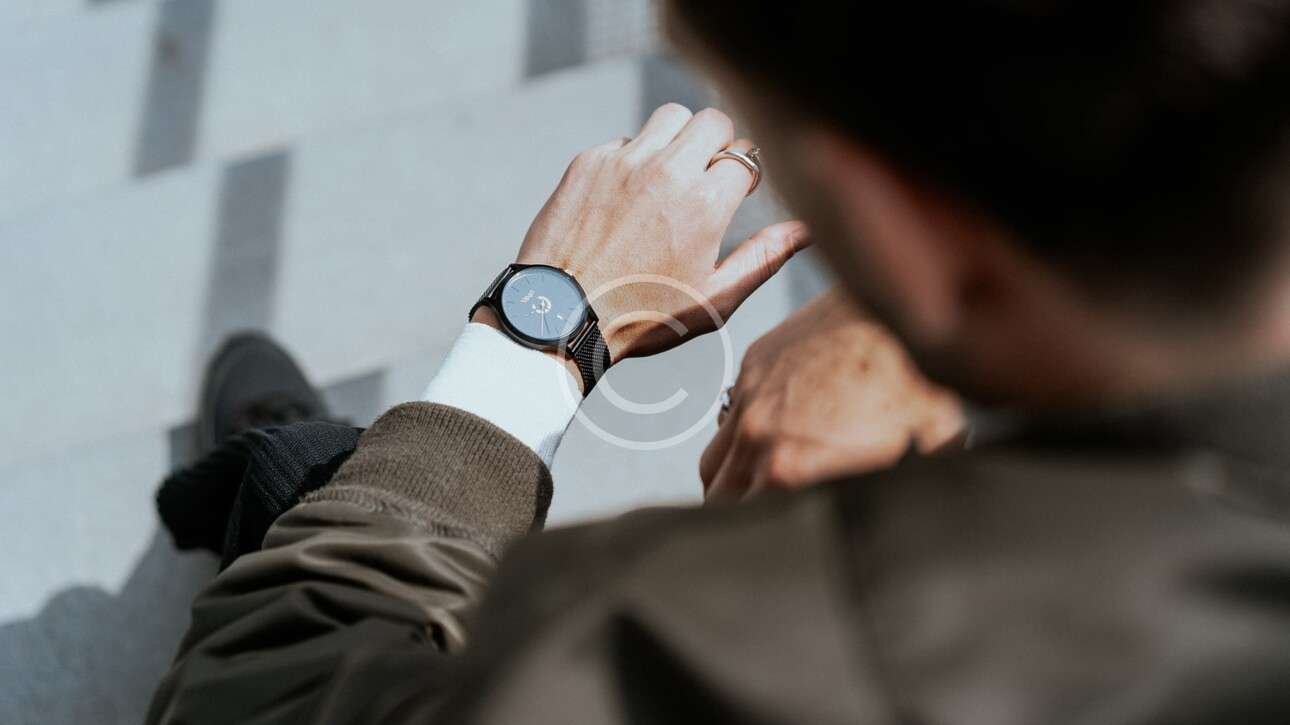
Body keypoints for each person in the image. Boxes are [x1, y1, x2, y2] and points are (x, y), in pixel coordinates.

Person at [149, 2, 1290, 723]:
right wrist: (915, 328)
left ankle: (319, 509)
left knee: (324, 493)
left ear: (892, 214)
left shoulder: (813, 640)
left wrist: (538, 331)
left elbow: (255, 697)